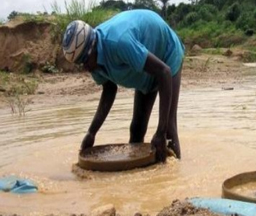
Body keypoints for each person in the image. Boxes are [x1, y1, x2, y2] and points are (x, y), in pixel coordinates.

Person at [62, 10, 185, 162]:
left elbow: (164, 72)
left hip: (166, 54)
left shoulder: (119, 42)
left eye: (85, 61)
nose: (85, 68)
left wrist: (160, 131)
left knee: (168, 131)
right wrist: (92, 132)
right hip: (145, 66)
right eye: (81, 63)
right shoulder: (92, 61)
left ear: (92, 47)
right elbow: (109, 90)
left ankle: (174, 177)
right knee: (137, 128)